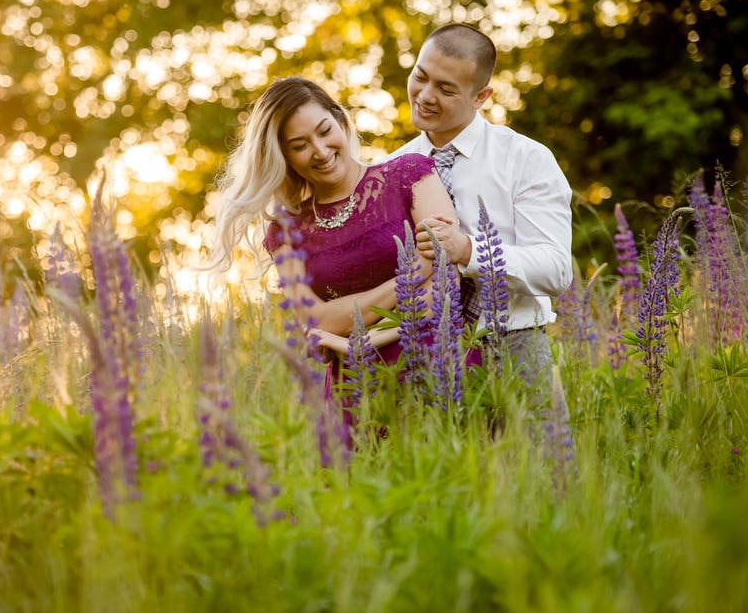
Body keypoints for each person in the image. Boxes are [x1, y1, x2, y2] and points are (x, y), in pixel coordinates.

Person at [208, 76, 459, 367]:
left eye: (325, 130)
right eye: (300, 145)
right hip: (352, 390)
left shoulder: (411, 174)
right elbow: (316, 320)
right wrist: (411, 276)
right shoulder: (285, 232)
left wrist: (360, 341)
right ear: (285, 157)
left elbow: (445, 291)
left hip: (436, 369)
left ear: (340, 120)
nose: (321, 150)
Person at [388, 23, 573, 387]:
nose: (424, 95)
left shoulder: (526, 158)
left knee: (530, 447)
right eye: (420, 77)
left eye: (445, 89)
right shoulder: (389, 169)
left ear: (481, 96)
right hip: (421, 350)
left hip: (514, 347)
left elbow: (556, 270)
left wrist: (466, 250)